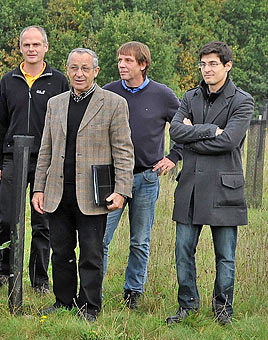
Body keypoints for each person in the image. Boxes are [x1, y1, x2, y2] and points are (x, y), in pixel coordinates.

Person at [31, 48, 134, 322]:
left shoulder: (113, 103)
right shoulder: (55, 103)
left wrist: (122, 189)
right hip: (58, 191)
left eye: (85, 68)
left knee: (91, 253)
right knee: (61, 251)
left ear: (96, 72)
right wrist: (38, 188)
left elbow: (123, 150)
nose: (79, 73)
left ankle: (89, 306)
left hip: (93, 194)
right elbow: (46, 149)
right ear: (67, 70)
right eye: (74, 68)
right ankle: (63, 301)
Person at [166, 41, 254, 325]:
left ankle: (223, 310)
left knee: (225, 255)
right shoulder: (190, 97)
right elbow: (177, 132)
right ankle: (187, 307)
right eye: (203, 64)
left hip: (224, 189)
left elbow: (229, 141)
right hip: (190, 187)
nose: (207, 69)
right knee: (182, 251)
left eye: (213, 63)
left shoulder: (242, 100)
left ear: (227, 66)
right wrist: (207, 132)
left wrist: (193, 137)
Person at [101, 41, 181, 309]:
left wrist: (173, 156)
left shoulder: (163, 95)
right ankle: (92, 290)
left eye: (128, 61)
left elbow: (184, 126)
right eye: (119, 60)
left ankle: (133, 292)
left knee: (140, 240)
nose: (122, 65)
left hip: (146, 178)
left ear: (143, 64)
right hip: (112, 179)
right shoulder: (108, 92)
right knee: (100, 237)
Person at [0, 26, 68, 292]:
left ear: (46, 47)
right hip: (12, 158)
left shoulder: (58, 81)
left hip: (46, 159)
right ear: (20, 48)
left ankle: (39, 278)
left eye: (36, 44)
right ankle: (4, 271)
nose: (31, 49)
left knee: (42, 221)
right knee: (7, 218)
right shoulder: (9, 80)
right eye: (26, 45)